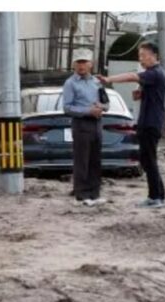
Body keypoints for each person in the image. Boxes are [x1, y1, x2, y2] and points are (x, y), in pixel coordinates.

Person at [98, 42, 165, 209]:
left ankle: (155, 197)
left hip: (151, 123)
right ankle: (159, 195)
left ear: (153, 56)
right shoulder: (154, 75)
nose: (141, 59)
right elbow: (143, 92)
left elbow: (131, 76)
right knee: (148, 160)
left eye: (143, 56)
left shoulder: (155, 73)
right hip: (148, 121)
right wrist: (140, 93)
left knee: (148, 160)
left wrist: (109, 79)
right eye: (140, 56)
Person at [62, 48, 107, 207]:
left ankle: (94, 193)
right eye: (78, 62)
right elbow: (67, 108)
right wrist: (88, 110)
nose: (81, 66)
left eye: (84, 62)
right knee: (82, 160)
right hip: (81, 124)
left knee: (95, 159)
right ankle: (81, 194)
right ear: (74, 64)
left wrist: (101, 107)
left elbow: (106, 103)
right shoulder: (70, 83)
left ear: (91, 64)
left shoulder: (97, 82)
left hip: (97, 123)